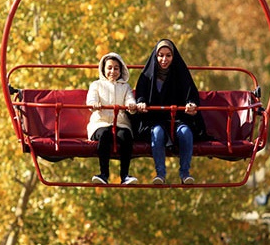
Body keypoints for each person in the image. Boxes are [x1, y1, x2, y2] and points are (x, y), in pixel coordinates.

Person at [134, 39, 201, 184]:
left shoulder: (181, 74)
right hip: (154, 119)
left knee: (186, 133)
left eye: (168, 56)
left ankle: (184, 173)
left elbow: (191, 94)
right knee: (157, 133)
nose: (164, 60)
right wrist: (141, 103)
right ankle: (160, 174)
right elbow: (140, 94)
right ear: (155, 56)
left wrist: (191, 105)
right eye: (161, 55)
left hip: (177, 118)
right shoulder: (147, 76)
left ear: (173, 56)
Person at [86, 52, 139, 185]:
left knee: (126, 136)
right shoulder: (96, 85)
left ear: (121, 70)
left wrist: (131, 106)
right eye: (109, 68)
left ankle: (125, 175)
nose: (112, 71)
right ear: (103, 69)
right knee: (104, 135)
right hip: (101, 122)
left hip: (120, 123)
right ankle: (104, 174)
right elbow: (91, 101)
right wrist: (95, 105)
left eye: (116, 68)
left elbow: (129, 101)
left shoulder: (125, 87)